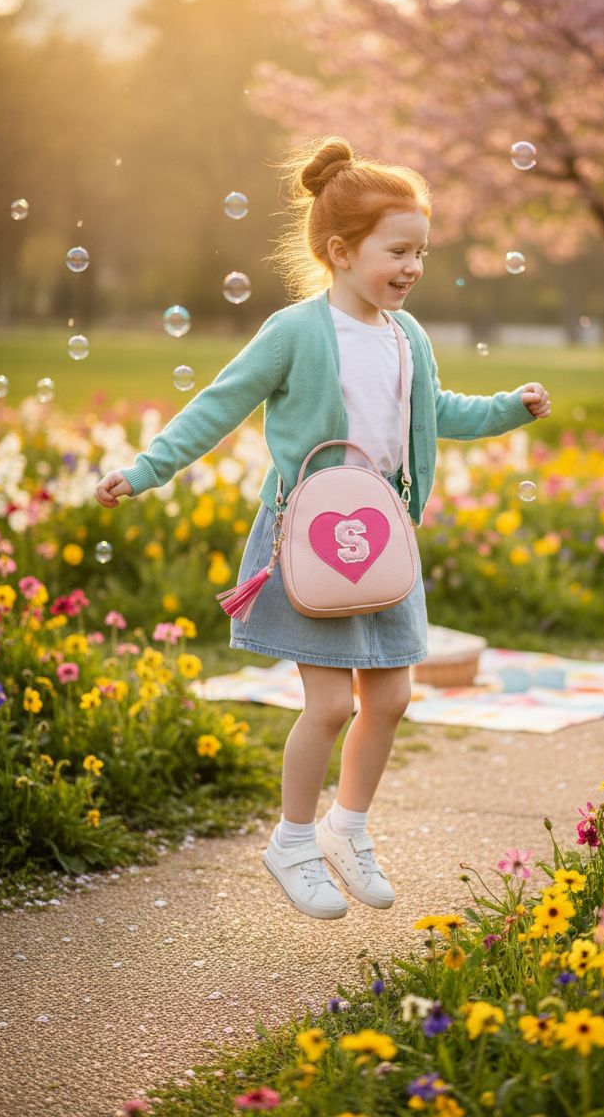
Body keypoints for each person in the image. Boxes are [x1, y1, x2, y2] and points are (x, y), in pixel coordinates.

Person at [94, 135, 551, 921]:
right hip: (309, 541)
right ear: (341, 250)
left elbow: (434, 414)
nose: (412, 267)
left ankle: (350, 828)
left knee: (393, 697)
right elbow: (219, 404)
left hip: (383, 542)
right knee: (332, 704)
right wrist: (146, 469)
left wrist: (509, 407)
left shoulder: (409, 338)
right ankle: (294, 841)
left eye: (421, 253)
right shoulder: (295, 332)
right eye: (397, 250)